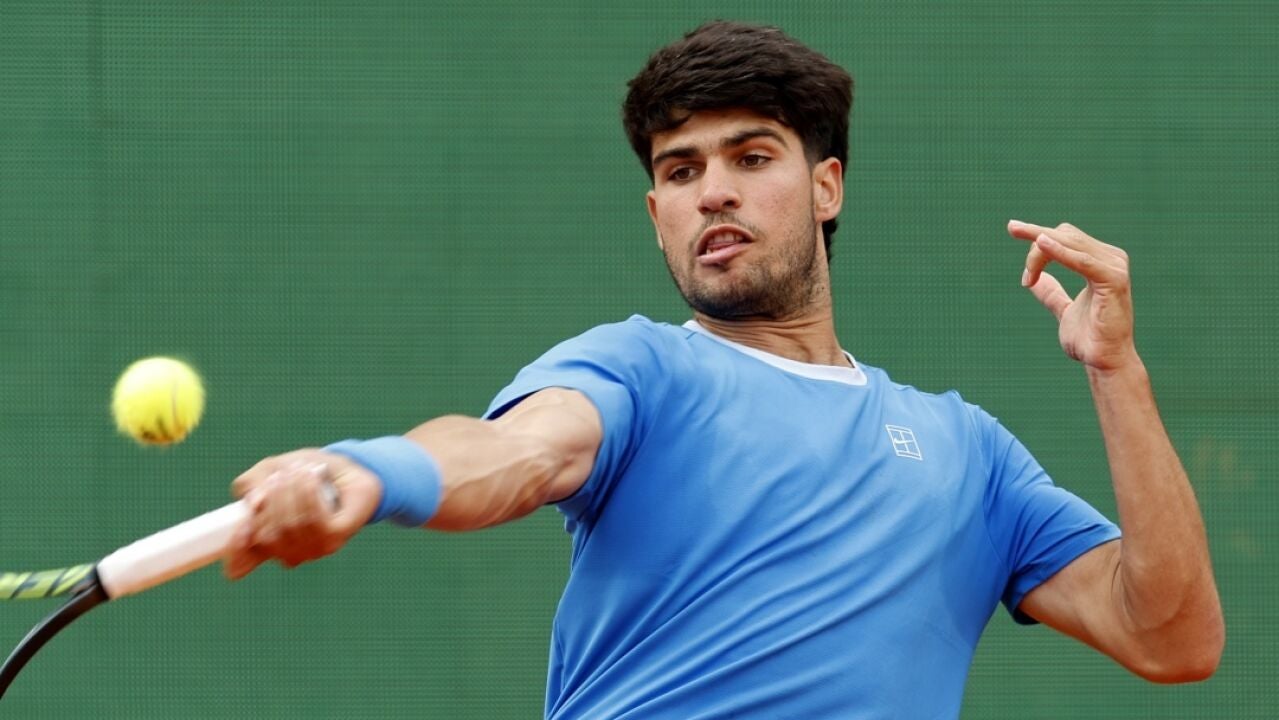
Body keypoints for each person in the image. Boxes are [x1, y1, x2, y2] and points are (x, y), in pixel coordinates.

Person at [223, 20, 1224, 719]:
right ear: (656, 212)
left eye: (750, 158)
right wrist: (367, 473)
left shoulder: (971, 456)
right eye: (681, 170)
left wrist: (1115, 371)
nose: (712, 193)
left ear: (825, 186)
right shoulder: (639, 369)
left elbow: (1172, 640)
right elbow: (516, 452)